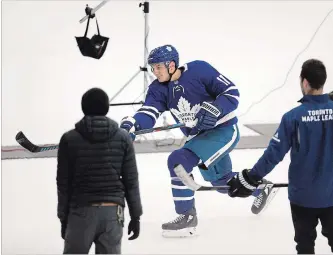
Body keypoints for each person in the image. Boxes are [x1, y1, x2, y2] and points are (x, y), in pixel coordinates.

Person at [120, 44, 275, 237]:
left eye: (158, 67)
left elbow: (231, 92)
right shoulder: (158, 89)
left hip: (223, 130)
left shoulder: (199, 70)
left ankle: (187, 217)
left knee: (178, 161)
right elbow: (149, 111)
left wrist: (214, 109)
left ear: (171, 65)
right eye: (152, 68)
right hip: (198, 136)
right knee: (222, 182)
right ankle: (260, 187)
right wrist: (133, 124)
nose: (154, 72)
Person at [227, 59, 333, 254]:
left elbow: (273, 154)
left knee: (305, 246)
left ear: (304, 83)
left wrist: (251, 178)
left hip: (303, 197)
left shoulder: (293, 117)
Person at [56, 88, 142, 254]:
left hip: (81, 211)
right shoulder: (123, 138)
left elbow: (63, 183)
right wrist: (135, 216)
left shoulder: (69, 139)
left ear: (83, 108)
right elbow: (131, 181)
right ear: (107, 108)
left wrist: (63, 218)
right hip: (112, 213)